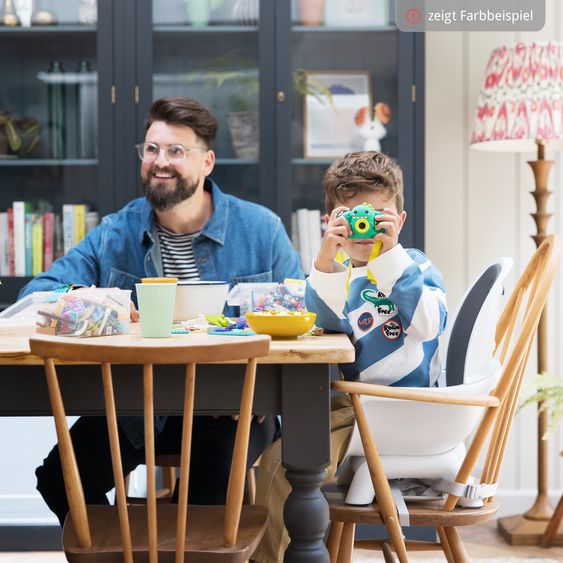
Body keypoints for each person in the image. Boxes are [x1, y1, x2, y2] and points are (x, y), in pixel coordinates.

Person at [19, 96, 303, 525]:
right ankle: (131, 552)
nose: (160, 161)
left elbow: (302, 317)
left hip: (232, 407)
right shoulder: (117, 231)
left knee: (205, 496)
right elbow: (38, 292)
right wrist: (108, 307)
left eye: (175, 151)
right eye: (151, 149)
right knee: (59, 479)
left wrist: (263, 381)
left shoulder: (261, 230)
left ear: (207, 162)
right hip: (138, 404)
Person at [252, 151, 447, 563]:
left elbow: (429, 324)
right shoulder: (341, 273)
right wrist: (325, 260)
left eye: (379, 215)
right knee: (277, 442)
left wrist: (390, 257)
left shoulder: (416, 267)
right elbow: (320, 321)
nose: (366, 226)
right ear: (334, 220)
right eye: (355, 216)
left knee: (280, 464)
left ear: (400, 220)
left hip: (395, 411)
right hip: (354, 406)